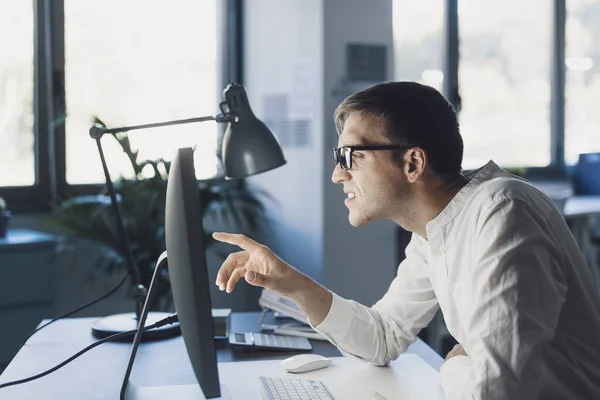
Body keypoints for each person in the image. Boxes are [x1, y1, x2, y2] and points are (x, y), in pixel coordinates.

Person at [213, 81, 600, 399]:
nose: (337, 174)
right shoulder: (436, 228)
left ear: (413, 163)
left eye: (350, 156)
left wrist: (453, 365)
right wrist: (293, 284)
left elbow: (496, 393)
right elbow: (383, 337)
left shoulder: (501, 211)